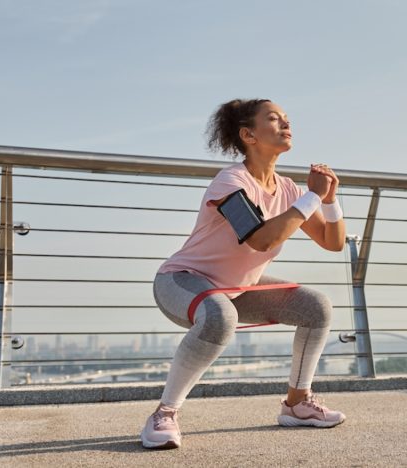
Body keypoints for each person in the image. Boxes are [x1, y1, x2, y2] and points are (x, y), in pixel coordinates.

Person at [141, 98, 347, 449]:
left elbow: (333, 242)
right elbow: (262, 240)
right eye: (274, 119)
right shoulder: (230, 183)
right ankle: (164, 414)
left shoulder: (287, 190)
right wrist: (311, 196)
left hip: (237, 288)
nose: (286, 124)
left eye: (287, 119)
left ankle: (297, 404)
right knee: (220, 317)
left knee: (315, 307)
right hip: (182, 281)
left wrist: (328, 200)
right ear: (248, 134)